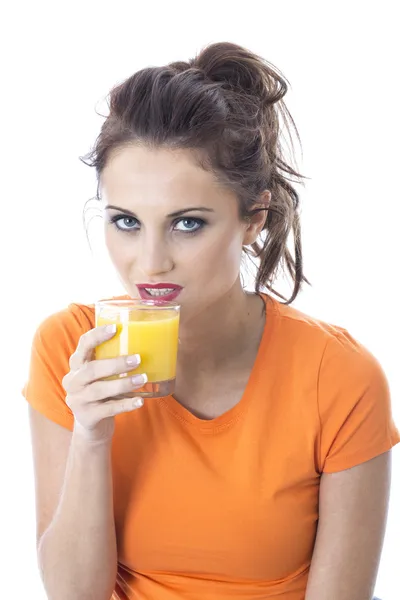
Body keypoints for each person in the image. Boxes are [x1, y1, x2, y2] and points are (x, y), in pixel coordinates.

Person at [23, 41, 399, 600]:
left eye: (188, 224)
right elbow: (73, 594)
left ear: (254, 219)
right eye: (126, 221)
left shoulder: (338, 376)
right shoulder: (70, 348)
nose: (149, 262)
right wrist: (91, 437)